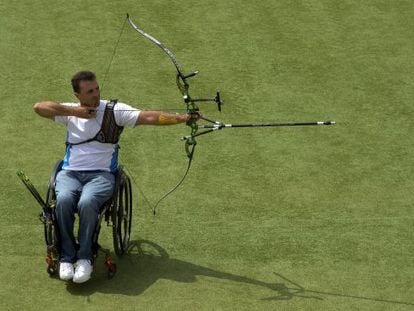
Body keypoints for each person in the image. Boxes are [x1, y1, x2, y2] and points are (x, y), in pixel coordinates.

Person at [33, 70, 198, 283]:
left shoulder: (114, 110)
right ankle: (66, 256)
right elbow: (39, 107)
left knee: (88, 202)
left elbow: (149, 116)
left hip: (101, 176)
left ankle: (85, 258)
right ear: (78, 96)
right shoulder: (70, 111)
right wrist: (77, 112)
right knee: (63, 200)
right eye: (89, 91)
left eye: (97, 88)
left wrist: (183, 118)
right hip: (70, 173)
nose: (95, 94)